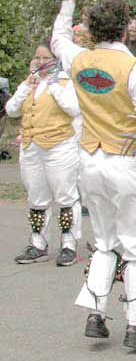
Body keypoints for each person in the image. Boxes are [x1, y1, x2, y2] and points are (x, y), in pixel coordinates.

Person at [51, 0, 136, 351]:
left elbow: (59, 39)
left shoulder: (80, 60)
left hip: (91, 160)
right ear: (126, 29)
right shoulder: (135, 69)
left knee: (107, 241)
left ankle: (95, 313)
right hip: (129, 162)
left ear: (92, 30)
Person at [6, 41, 82, 266]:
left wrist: (55, 84)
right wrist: (25, 87)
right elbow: (11, 110)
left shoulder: (64, 81)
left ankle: (68, 243)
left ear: (55, 60)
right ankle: (38, 243)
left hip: (59, 145)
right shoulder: (30, 83)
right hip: (31, 146)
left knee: (65, 195)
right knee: (37, 197)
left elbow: (73, 108)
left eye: (45, 58)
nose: (41, 62)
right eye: (37, 58)